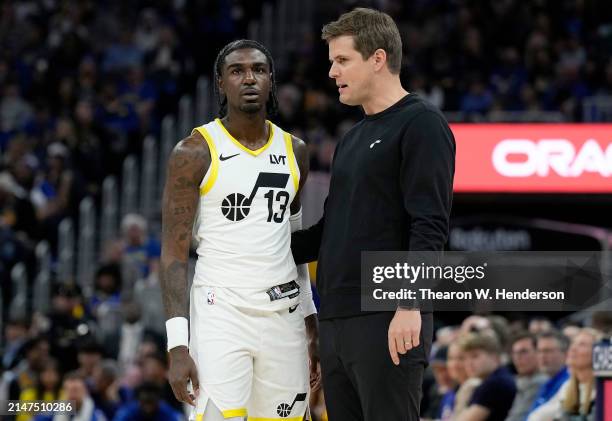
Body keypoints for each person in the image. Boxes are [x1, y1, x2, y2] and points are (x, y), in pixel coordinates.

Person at [290, 8, 455, 421]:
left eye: (342, 60)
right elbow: (331, 232)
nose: (332, 72)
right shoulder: (351, 139)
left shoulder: (422, 125)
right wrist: (250, 242)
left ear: (378, 59)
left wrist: (409, 304)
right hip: (336, 318)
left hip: (388, 316)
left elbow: (429, 223)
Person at [160, 39, 319, 421]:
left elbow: (293, 245)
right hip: (221, 310)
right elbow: (173, 254)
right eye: (237, 71)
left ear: (271, 80)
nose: (249, 78)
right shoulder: (194, 151)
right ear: (221, 82)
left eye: (259, 70)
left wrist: (310, 320)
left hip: (284, 314)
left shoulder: (295, 151)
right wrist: (177, 346)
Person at [457, 333, 517, 421]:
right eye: (465, 358)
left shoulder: (495, 383)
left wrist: (462, 396)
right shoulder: (498, 378)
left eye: (475, 356)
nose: (468, 363)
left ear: (494, 357)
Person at [526, 331, 570, 417]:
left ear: (565, 353)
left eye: (548, 351)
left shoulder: (569, 382)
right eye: (539, 351)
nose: (542, 356)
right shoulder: (546, 383)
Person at [505, 332, 547, 421]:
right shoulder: (520, 381)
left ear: (538, 352)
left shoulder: (541, 381)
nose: (517, 357)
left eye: (523, 352)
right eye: (514, 353)